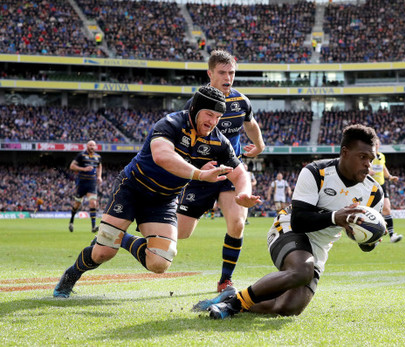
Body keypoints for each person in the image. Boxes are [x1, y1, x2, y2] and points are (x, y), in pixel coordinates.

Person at [53, 86, 261, 298]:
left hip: (163, 199)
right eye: (209, 114)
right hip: (132, 188)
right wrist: (199, 174)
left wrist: (243, 193)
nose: (213, 121)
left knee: (160, 261)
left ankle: (122, 238)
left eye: (218, 116)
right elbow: (162, 156)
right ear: (196, 109)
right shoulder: (170, 123)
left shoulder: (218, 140)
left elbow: (240, 173)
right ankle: (71, 275)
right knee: (103, 252)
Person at [193, 124, 384, 319]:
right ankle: (232, 306)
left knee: (288, 307)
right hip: (289, 228)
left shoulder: (374, 192)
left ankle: (232, 297)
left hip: (319, 247)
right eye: (363, 157)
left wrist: (370, 239)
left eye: (371, 158)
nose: (368, 164)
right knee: (302, 270)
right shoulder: (316, 171)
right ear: (345, 152)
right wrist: (336, 217)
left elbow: (366, 246)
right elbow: (299, 220)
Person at [177, 50, 266, 293]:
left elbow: (250, 123)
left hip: (230, 174)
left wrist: (259, 145)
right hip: (201, 175)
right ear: (210, 73)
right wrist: (195, 167)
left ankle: (225, 280)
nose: (228, 77)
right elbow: (180, 141)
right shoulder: (194, 105)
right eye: (222, 72)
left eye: (232, 72)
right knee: (181, 234)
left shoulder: (241, 101)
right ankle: (134, 232)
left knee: (237, 224)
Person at [369, 139, 403, 243]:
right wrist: (368, 171)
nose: (376, 145)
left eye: (377, 144)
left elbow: (383, 167)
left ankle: (392, 235)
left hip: (382, 185)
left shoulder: (381, 156)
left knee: (387, 209)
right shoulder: (368, 156)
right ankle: (371, 237)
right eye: (374, 144)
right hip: (370, 186)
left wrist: (390, 177)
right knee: (373, 212)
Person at [68, 140, 102, 233]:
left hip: (92, 183)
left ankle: (93, 226)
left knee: (93, 203)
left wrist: (99, 176)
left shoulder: (97, 157)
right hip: (82, 183)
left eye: (93, 145)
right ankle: (71, 221)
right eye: (90, 145)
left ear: (95, 147)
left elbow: (99, 166)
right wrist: (83, 169)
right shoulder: (81, 155)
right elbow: (72, 166)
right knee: (77, 204)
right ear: (87, 146)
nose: (92, 147)